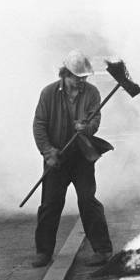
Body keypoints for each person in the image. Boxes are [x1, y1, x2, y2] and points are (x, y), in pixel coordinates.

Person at [31, 50, 113, 268]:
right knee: (50, 204)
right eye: (77, 77)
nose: (81, 81)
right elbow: (39, 125)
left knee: (88, 200)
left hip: (81, 156)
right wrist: (48, 152)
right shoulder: (48, 93)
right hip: (56, 157)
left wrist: (86, 128)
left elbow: (95, 119)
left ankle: (103, 250)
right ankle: (44, 252)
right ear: (65, 75)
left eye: (84, 77)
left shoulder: (92, 93)